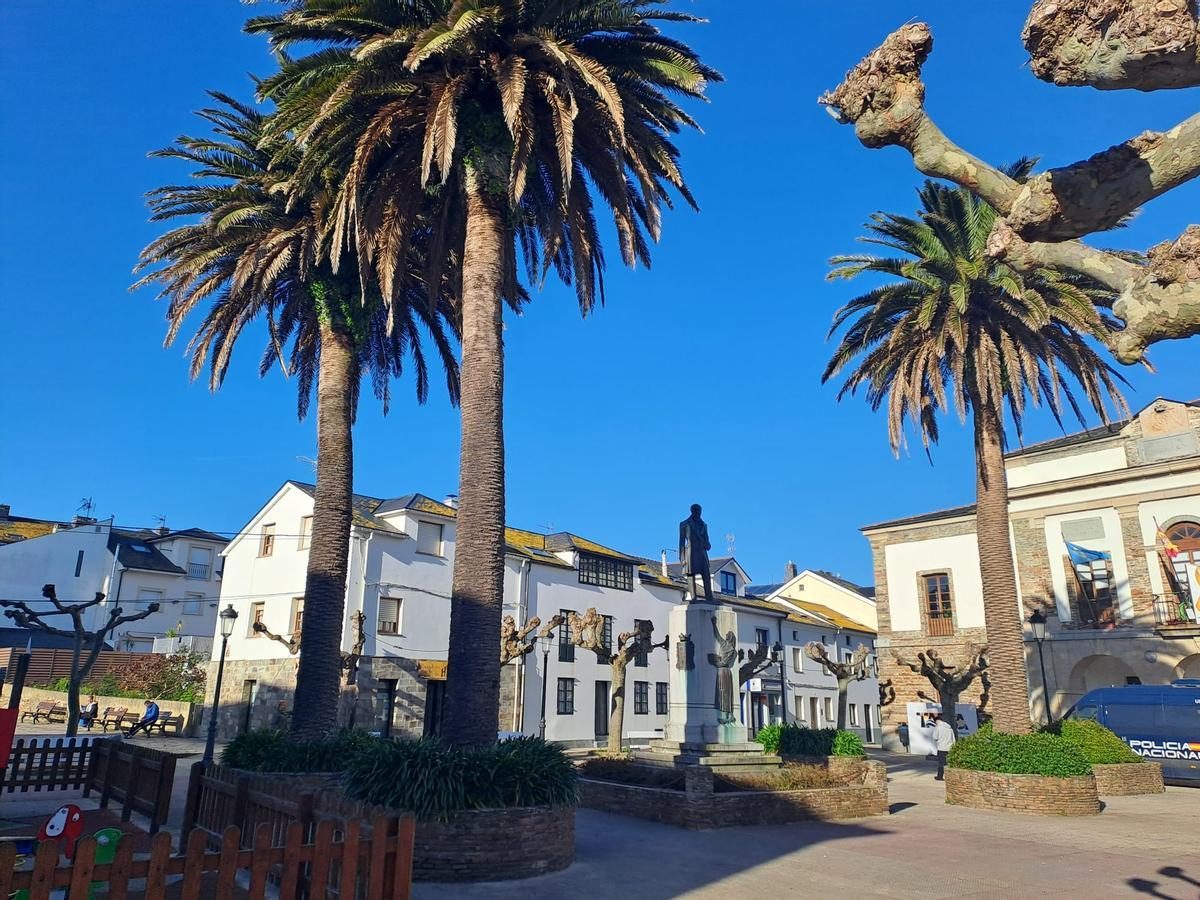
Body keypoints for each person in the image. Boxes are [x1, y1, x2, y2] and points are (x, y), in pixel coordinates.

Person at [932, 711, 957, 780]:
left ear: (936, 721)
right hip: (950, 748)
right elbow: (953, 739)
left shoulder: (938, 727)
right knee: (949, 763)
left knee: (941, 763)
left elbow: (935, 737)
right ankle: (951, 777)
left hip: (941, 748)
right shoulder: (950, 728)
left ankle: (940, 776)